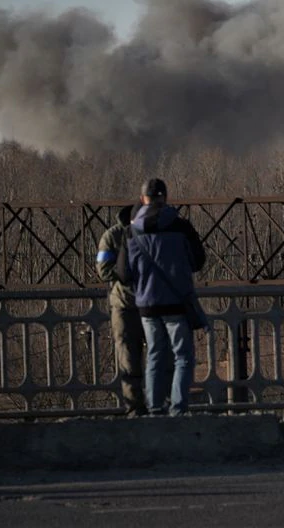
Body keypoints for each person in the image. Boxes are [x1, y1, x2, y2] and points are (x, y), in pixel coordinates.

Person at [127, 177, 206, 416]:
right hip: (176, 303)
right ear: (165, 198)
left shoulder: (131, 230)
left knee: (154, 356)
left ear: (142, 199)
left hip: (147, 305)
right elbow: (198, 261)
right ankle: (178, 409)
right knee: (182, 357)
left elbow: (122, 271)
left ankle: (154, 408)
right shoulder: (181, 226)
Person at [96, 203, 146, 415]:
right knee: (130, 361)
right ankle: (135, 409)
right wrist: (127, 271)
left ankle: (146, 407)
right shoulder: (113, 236)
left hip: (138, 304)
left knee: (142, 360)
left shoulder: (146, 232)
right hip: (127, 305)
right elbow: (104, 270)